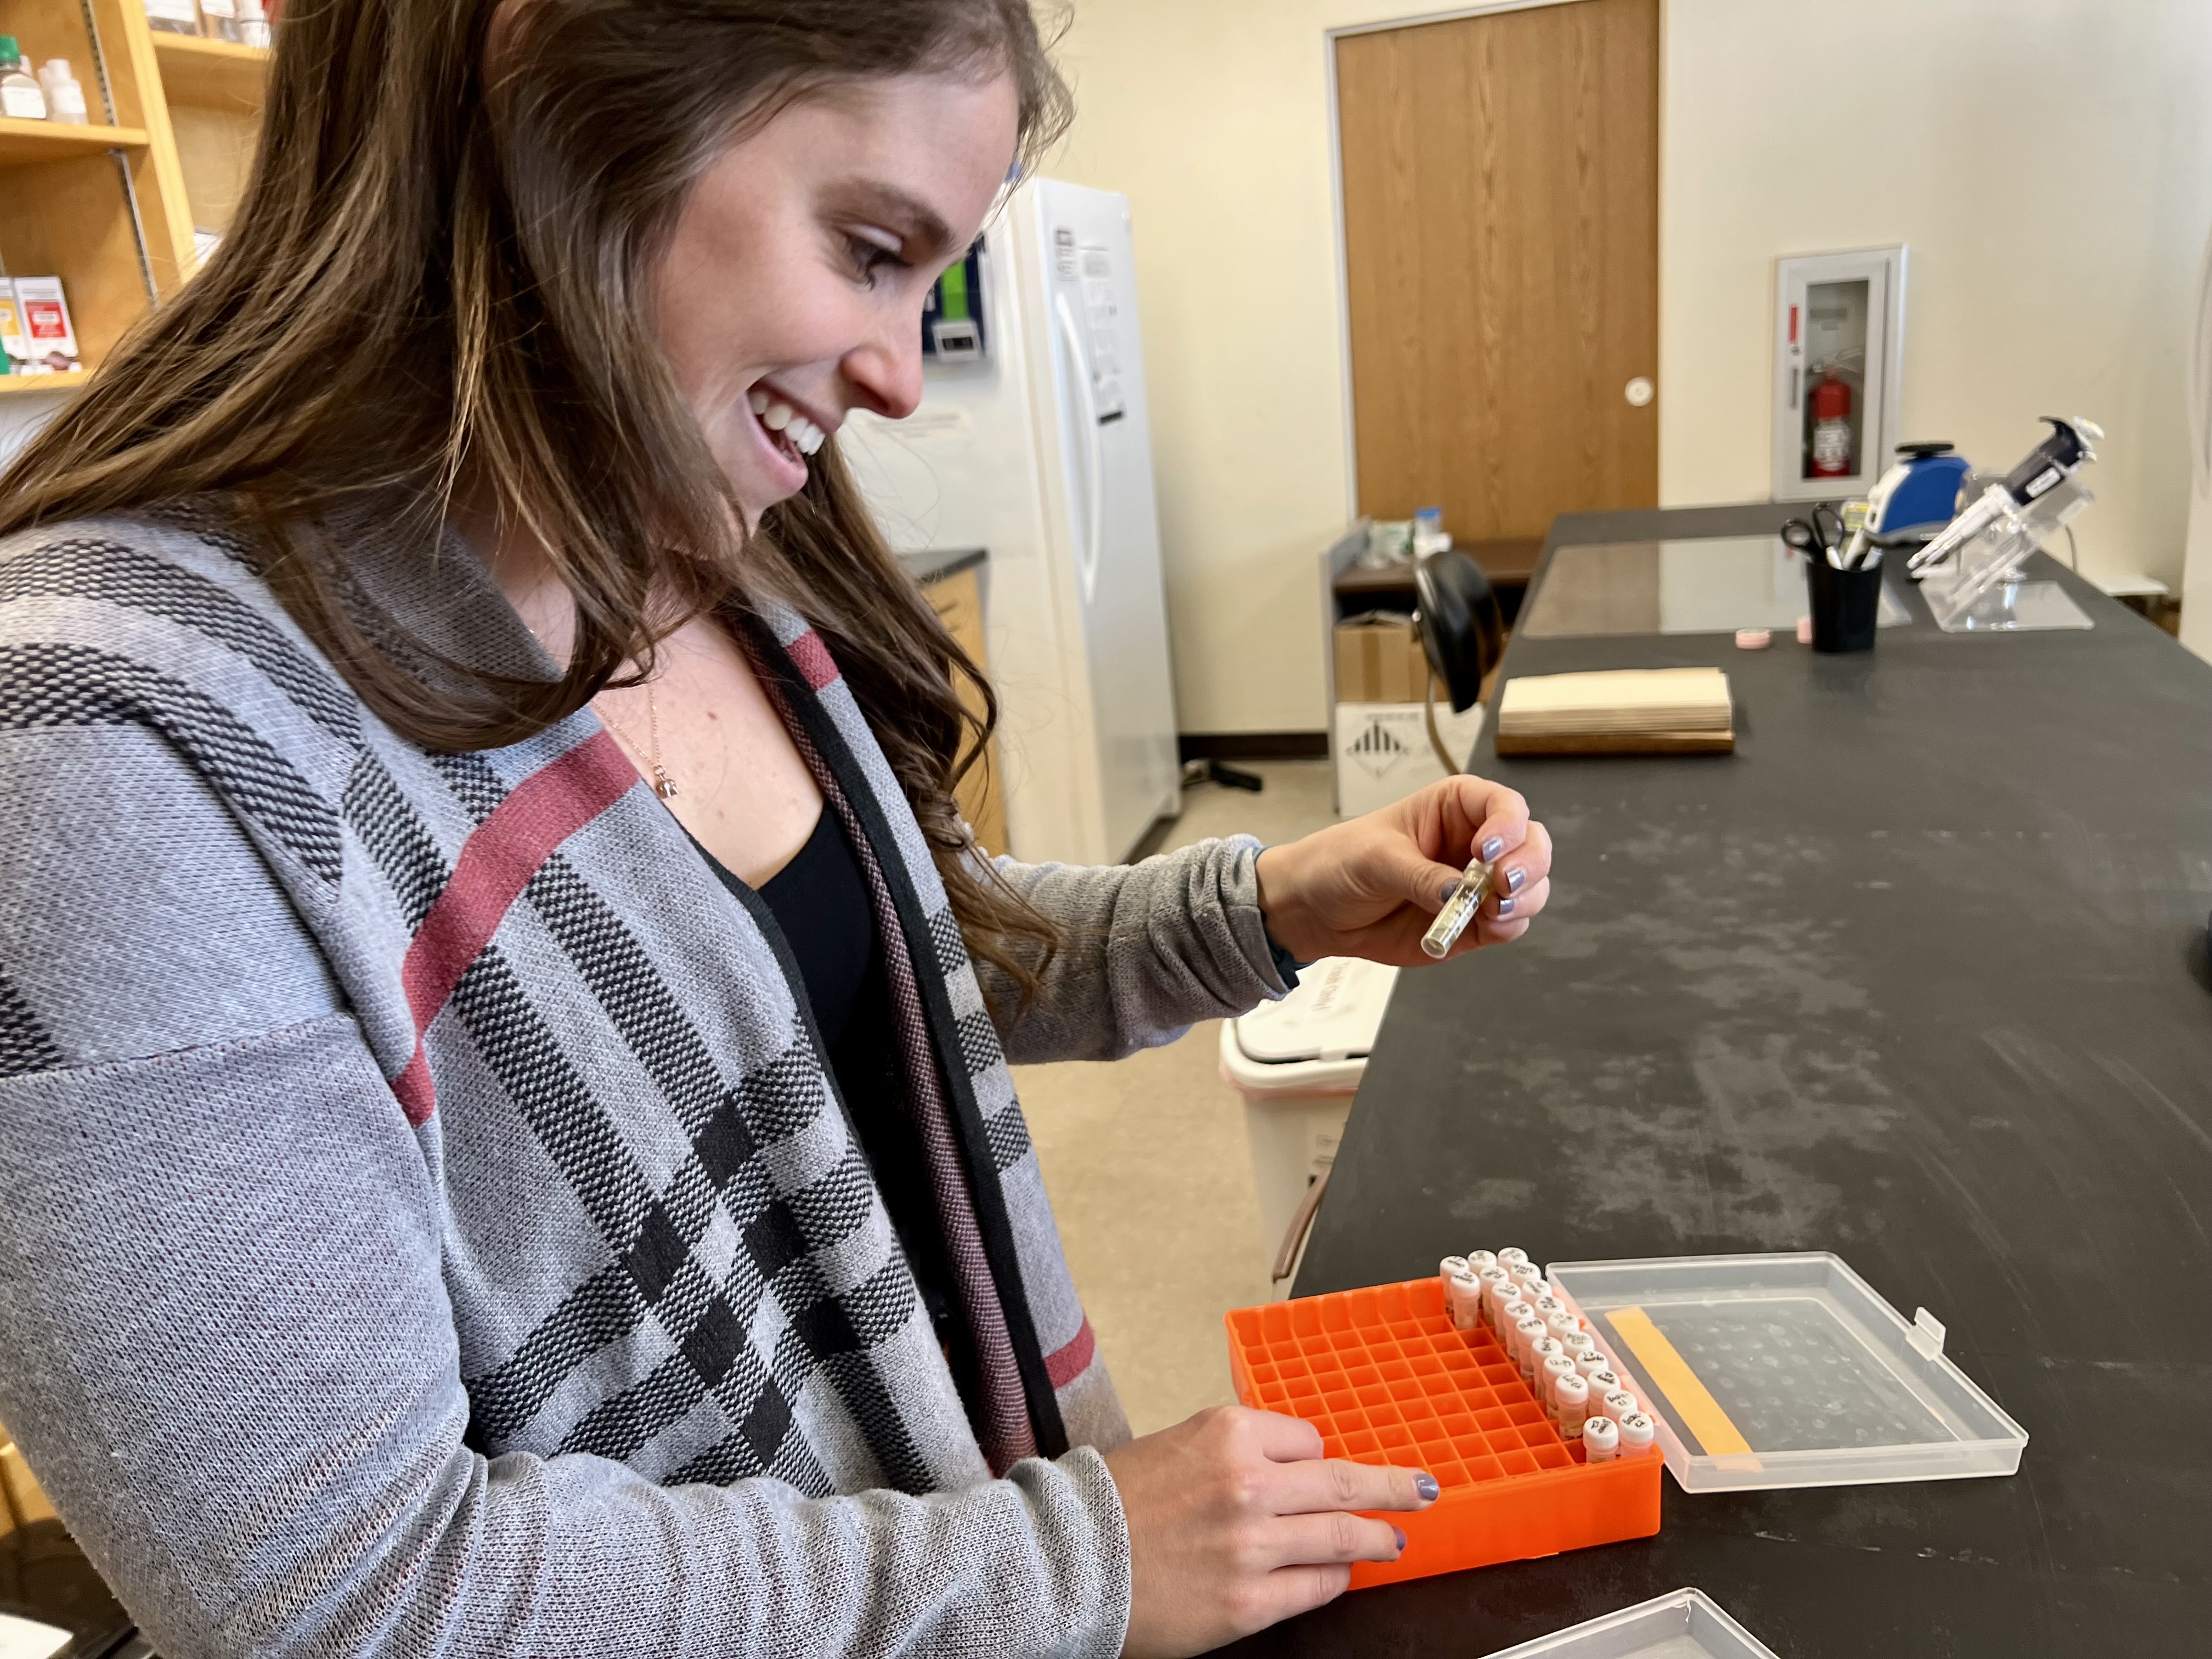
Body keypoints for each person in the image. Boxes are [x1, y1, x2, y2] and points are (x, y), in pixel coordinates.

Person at [0, 2, 1554, 1655]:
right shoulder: (109, 751)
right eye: (871, 248)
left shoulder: (694, 536)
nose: (896, 368)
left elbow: (868, 974)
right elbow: (356, 1599)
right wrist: (1070, 1573)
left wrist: (1269, 907)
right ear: (554, 83)